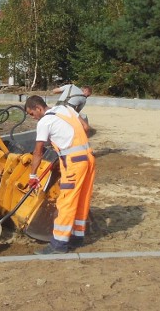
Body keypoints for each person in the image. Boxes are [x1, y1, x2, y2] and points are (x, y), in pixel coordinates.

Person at [24, 95, 96, 254]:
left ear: (38, 108)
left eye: (32, 114)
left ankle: (58, 244)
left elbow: (38, 152)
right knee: (82, 199)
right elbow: (85, 128)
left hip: (73, 163)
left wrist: (32, 175)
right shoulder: (66, 108)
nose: (33, 117)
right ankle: (77, 237)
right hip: (89, 158)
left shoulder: (44, 122)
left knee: (66, 202)